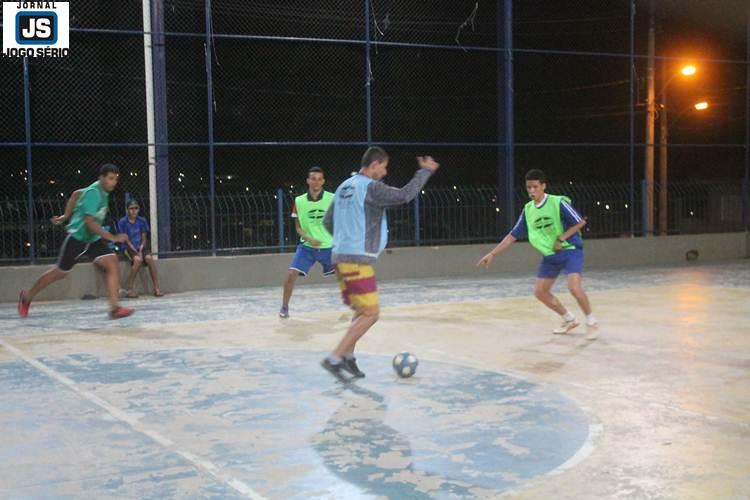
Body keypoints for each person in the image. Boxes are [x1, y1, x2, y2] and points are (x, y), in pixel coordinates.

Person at [320, 147, 440, 380]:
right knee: (371, 314)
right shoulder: (370, 187)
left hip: (340, 257)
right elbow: (404, 195)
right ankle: (334, 358)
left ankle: (348, 358)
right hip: (356, 259)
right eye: (384, 167)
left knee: (360, 311)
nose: (384, 173)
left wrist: (345, 238)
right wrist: (424, 172)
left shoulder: (344, 185)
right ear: (375, 164)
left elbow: (327, 221)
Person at [477, 169, 598, 337]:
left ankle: (591, 322)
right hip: (550, 256)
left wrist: (561, 239)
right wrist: (492, 254)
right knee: (540, 292)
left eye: (535, 186)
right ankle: (569, 320)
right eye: (528, 187)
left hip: (570, 251)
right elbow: (512, 236)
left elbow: (580, 222)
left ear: (543, 186)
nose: (532, 191)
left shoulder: (558, 203)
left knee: (574, 288)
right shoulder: (528, 210)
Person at [18, 164, 135, 320]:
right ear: (102, 178)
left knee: (112, 261)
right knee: (59, 273)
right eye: (110, 178)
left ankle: (114, 309)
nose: (114, 182)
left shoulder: (102, 191)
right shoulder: (94, 193)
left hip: (92, 239)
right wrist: (113, 238)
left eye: (116, 179)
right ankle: (27, 296)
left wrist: (65, 216)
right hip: (78, 238)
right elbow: (90, 222)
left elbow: (75, 194)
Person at [280, 167, 334, 318]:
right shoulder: (299, 201)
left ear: (323, 181)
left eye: (319, 179)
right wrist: (309, 238)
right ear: (308, 181)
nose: (316, 182)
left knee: (347, 274)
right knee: (291, 274)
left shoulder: (333, 198)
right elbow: (298, 227)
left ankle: (357, 308)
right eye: (313, 178)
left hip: (329, 247)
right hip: (307, 247)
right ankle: (284, 307)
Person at [118, 199, 163, 298]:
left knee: (149, 259)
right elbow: (126, 239)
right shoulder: (123, 222)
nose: (134, 211)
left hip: (140, 246)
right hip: (128, 246)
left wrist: (141, 248)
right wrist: (136, 251)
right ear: (127, 210)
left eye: (136, 208)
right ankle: (130, 289)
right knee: (138, 260)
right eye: (131, 209)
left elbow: (144, 237)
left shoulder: (141, 220)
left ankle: (157, 288)